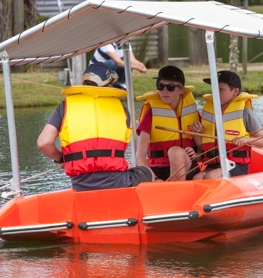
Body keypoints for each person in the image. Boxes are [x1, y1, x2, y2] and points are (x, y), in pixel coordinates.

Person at [37, 62, 154, 191]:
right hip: (117, 182)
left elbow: (44, 143)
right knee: (145, 172)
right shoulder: (122, 110)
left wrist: (61, 159)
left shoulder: (65, 106)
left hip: (81, 185)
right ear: (109, 85)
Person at [193, 70, 263, 180]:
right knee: (197, 178)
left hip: (236, 165)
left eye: (220, 89)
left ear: (235, 91)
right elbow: (202, 146)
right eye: (214, 88)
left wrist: (245, 140)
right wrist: (197, 132)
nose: (215, 92)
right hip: (214, 165)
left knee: (211, 177)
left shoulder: (245, 112)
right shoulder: (208, 112)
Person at [135, 65, 201, 181]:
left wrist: (196, 153)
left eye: (170, 87)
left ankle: (176, 195)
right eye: (160, 86)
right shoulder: (151, 113)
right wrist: (154, 178)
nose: (164, 91)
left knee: (175, 152)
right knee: (175, 152)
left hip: (187, 167)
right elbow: (140, 156)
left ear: (181, 90)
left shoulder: (193, 114)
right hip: (158, 170)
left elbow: (204, 150)